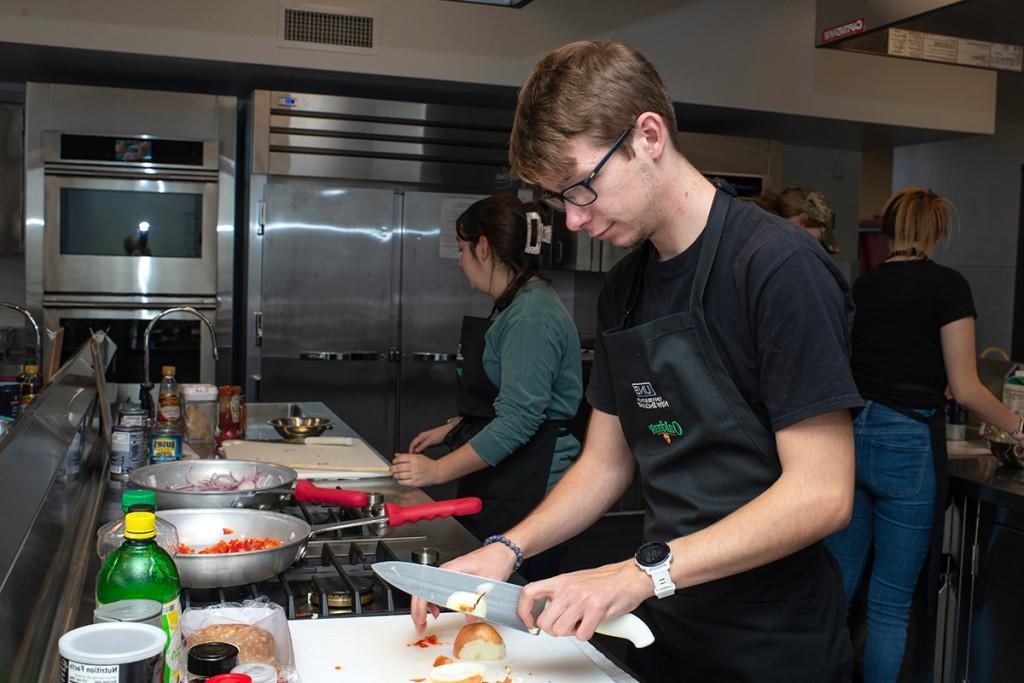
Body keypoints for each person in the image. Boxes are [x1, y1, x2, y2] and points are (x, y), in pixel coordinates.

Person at [410, 41, 862, 682]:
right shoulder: (626, 288)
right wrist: (507, 550)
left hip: (772, 640)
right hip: (665, 628)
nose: (574, 219)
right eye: (559, 201)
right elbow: (603, 463)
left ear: (648, 135)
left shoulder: (776, 267)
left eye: (582, 190)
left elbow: (821, 493)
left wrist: (639, 572)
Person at [823, 187, 1024, 683]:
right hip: (906, 443)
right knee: (889, 604)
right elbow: (966, 387)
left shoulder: (861, 287)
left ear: (890, 229)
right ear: (937, 231)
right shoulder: (948, 286)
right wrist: (1020, 426)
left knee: (835, 593)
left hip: (853, 436)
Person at [390, 193, 582, 579]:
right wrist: (455, 427)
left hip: (532, 489)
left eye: (462, 249)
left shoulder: (530, 316)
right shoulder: (514, 303)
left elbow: (520, 420)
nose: (460, 261)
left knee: (518, 608)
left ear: (483, 247)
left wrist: (436, 472)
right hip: (512, 476)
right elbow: (509, 395)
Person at [753, 186, 840, 253]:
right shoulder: (775, 254)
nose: (816, 250)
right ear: (801, 221)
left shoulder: (759, 239)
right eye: (816, 242)